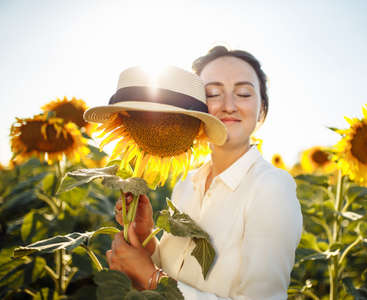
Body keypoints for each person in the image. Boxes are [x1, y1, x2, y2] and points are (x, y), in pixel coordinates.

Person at [106, 45, 303, 299]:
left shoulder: (271, 188)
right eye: (213, 94)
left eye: (243, 93)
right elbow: (173, 270)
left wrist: (151, 279)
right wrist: (146, 237)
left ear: (261, 109)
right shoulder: (188, 183)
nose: (228, 106)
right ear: (195, 109)